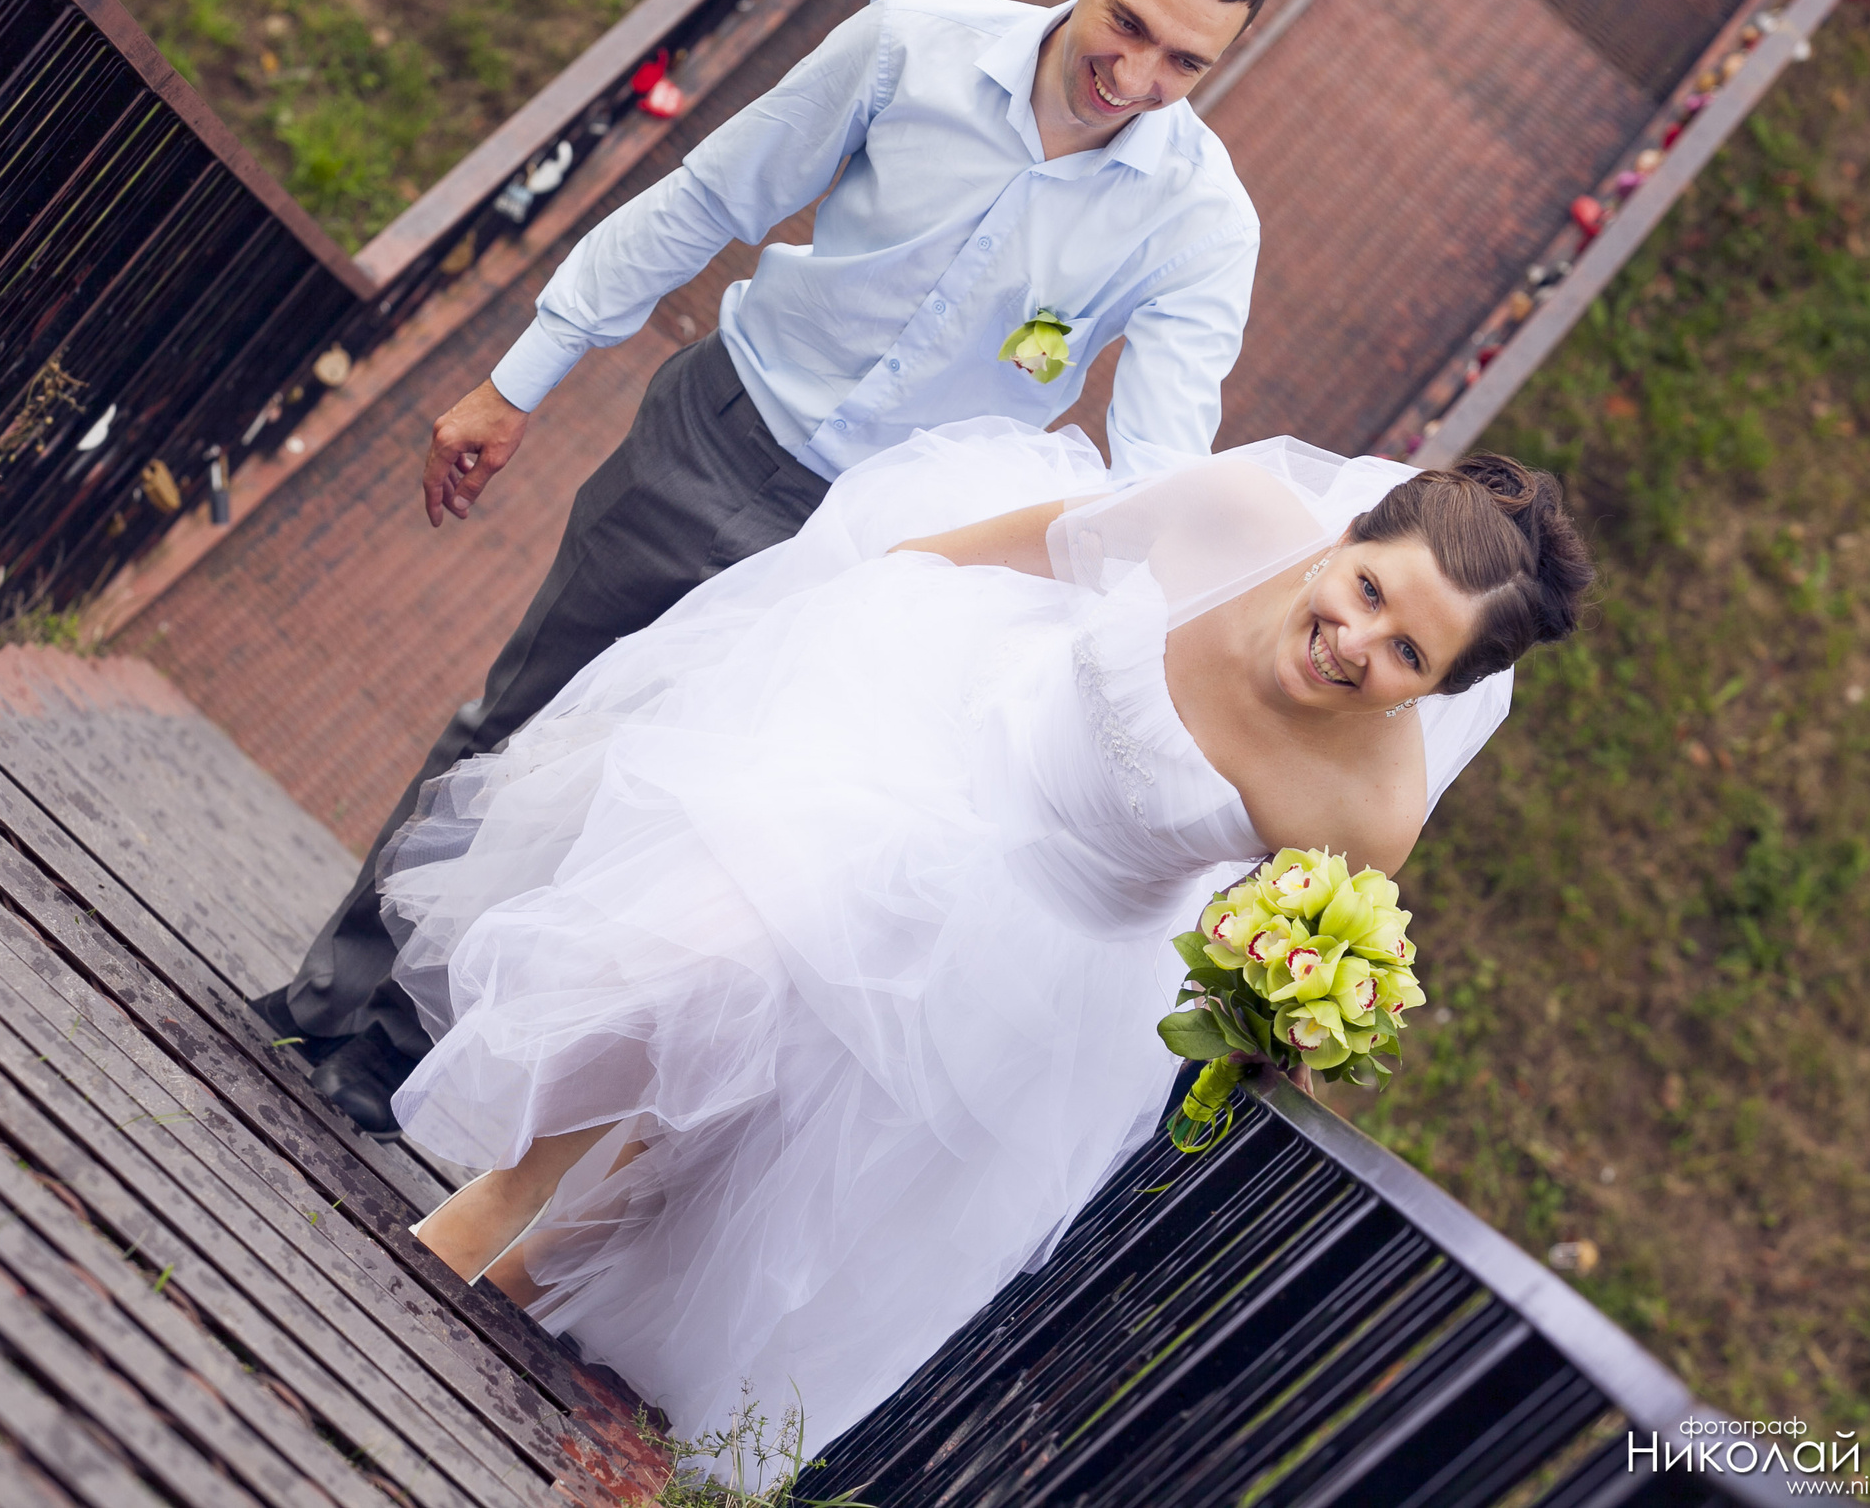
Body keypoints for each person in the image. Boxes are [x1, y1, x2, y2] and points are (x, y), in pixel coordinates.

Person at [258, 0, 1284, 1129]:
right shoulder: (909, 41)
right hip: (715, 438)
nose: (1133, 78)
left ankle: (402, 1054)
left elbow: (1158, 473)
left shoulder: (1199, 225)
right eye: (1127, 24)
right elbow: (706, 198)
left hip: (874, 562)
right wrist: (515, 383)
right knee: (510, 724)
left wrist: (1128, 679)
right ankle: (322, 997)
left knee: (623, 801)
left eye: (1184, 63)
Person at [384, 416, 1596, 1463]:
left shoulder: (1366, 811)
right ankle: (509, 1192)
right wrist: (840, 610)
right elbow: (1011, 549)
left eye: (1405, 657)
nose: (1353, 645)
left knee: (777, 1159)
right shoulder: (1230, 513)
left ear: (1434, 693)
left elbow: (1264, 950)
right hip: (938, 753)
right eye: (1369, 592)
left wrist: (1292, 1011)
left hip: (1055, 952)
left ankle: (532, 1294)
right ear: (1344, 540)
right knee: (709, 957)